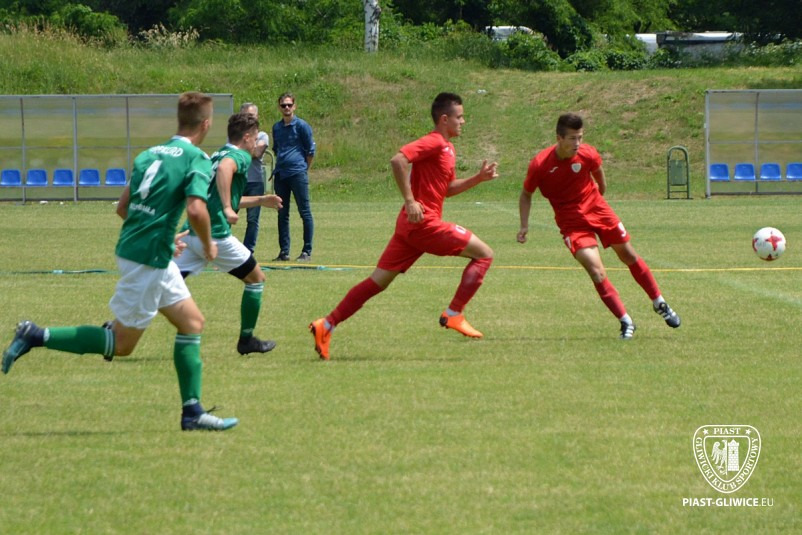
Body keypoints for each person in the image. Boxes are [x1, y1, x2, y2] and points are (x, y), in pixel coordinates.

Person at [2, 92, 239, 431]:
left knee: (192, 323)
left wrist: (162, 235)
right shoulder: (196, 159)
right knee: (121, 344)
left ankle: (193, 412)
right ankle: (36, 334)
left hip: (140, 249)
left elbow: (123, 207)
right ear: (206, 124)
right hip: (149, 259)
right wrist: (208, 245)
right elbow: (197, 209)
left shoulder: (149, 154)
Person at [309, 92, 498, 360]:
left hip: (410, 227)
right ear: (444, 119)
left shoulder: (448, 148)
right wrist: (410, 201)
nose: (463, 121)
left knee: (377, 282)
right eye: (460, 117)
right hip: (424, 224)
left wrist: (478, 179)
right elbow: (398, 160)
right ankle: (454, 313)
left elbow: (447, 189)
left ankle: (326, 324)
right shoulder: (434, 141)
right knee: (485, 254)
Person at [517, 112, 681, 340]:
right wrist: (524, 225)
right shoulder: (540, 165)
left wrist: (600, 196)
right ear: (559, 138)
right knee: (596, 271)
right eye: (572, 138)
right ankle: (626, 321)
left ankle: (659, 302)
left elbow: (598, 173)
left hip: (598, 210)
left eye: (580, 137)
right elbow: (526, 194)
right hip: (571, 222)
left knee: (628, 255)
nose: (577, 143)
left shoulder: (587, 153)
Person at [175, 112, 283, 355]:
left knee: (165, 284)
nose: (256, 144)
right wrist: (226, 207)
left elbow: (221, 192)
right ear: (246, 138)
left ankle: (118, 327)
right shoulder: (239, 156)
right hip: (215, 235)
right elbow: (226, 171)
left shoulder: (217, 154)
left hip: (192, 233)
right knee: (256, 279)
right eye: (255, 139)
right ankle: (246, 340)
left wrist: (260, 200)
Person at [271, 93, 316, 262]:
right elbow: (277, 149)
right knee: (282, 213)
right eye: (283, 105)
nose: (287, 108)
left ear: (294, 106)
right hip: (281, 174)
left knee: (304, 211)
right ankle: (284, 251)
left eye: (289, 105)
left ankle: (306, 251)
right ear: (279, 107)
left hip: (297, 173)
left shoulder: (302, 126)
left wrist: (304, 168)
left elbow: (310, 151)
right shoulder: (277, 127)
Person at [239, 102, 270, 253]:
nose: (248, 118)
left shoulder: (262, 135)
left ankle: (247, 251)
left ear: (257, 117)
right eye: (245, 115)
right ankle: (221, 248)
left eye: (251, 115)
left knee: (252, 219)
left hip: (255, 182)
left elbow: (257, 153)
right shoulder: (234, 135)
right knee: (227, 215)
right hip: (237, 181)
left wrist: (240, 150)